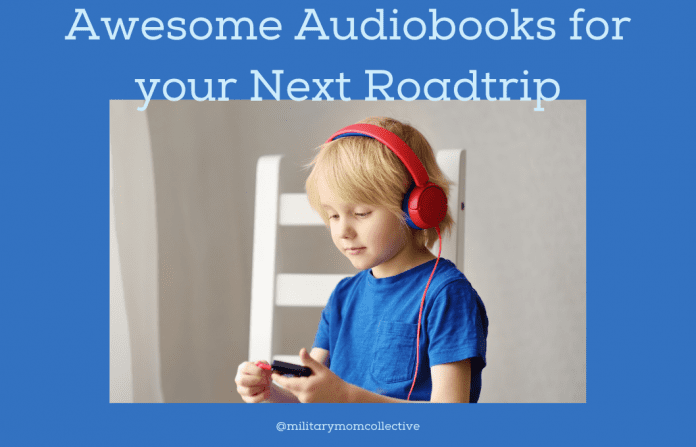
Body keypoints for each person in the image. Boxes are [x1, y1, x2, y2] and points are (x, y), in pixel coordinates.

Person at [235, 117, 488, 403]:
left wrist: (344, 396)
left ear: (416, 208)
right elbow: (311, 398)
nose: (343, 230)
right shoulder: (343, 297)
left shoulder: (446, 295)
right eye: (333, 216)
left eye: (361, 213)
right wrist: (271, 392)